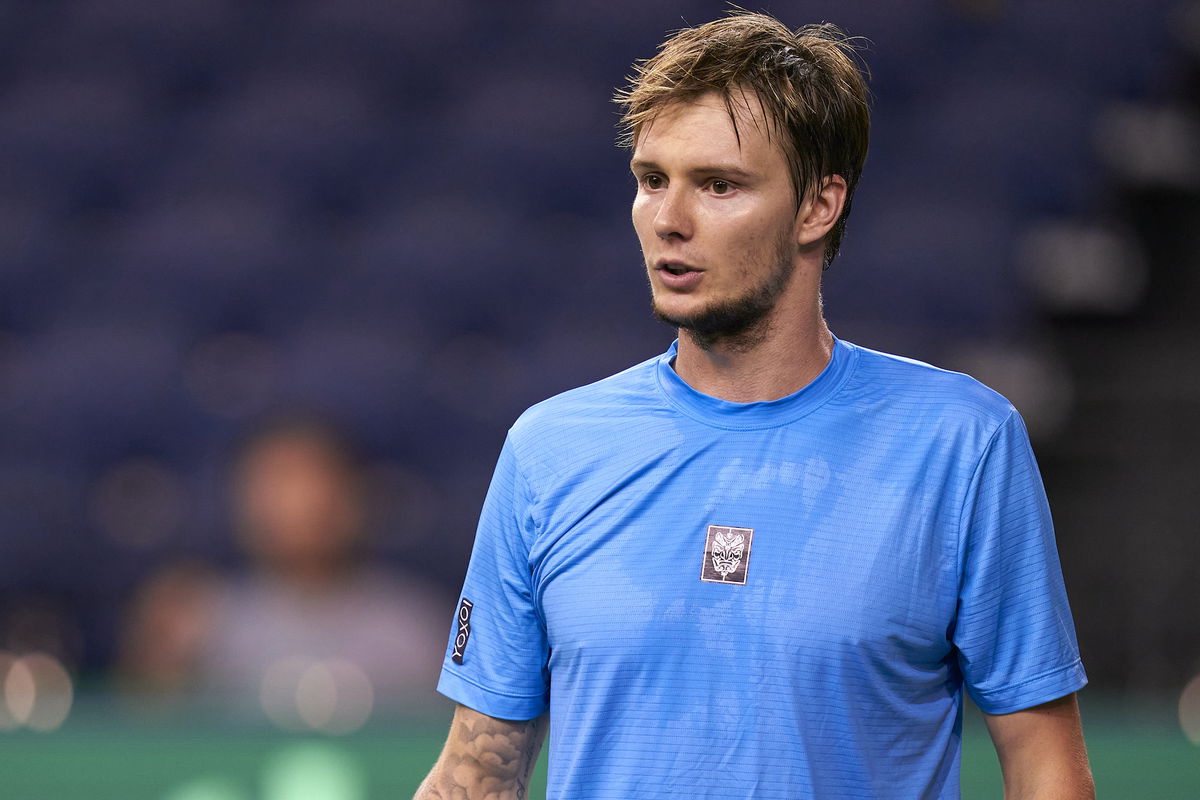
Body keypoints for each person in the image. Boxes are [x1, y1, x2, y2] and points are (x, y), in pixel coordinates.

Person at [417, 12, 1093, 799]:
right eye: (651, 180)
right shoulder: (547, 451)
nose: (669, 219)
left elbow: (1046, 767)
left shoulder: (962, 443)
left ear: (818, 206)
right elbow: (475, 773)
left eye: (719, 185)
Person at [118, 415, 448, 718]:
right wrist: (160, 661)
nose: (294, 501)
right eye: (273, 480)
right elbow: (146, 738)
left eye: (312, 477)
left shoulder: (412, 627)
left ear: (353, 496)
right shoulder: (203, 618)